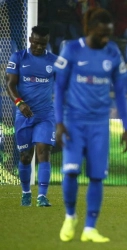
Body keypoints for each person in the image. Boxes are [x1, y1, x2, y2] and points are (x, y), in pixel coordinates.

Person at [54, 7, 127, 243]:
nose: (105, 38)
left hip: (99, 124)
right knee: (71, 172)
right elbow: (58, 87)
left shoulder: (112, 53)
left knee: (97, 177)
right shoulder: (72, 49)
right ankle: (70, 215)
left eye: (109, 34)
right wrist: (58, 122)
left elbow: (120, 90)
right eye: (101, 34)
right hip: (74, 122)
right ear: (90, 30)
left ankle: (90, 228)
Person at [6, 26, 57, 207]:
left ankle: (42, 196)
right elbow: (10, 84)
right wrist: (19, 103)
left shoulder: (53, 61)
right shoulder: (18, 58)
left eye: (42, 44)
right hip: (24, 116)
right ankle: (26, 193)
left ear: (46, 43)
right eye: (35, 43)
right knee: (25, 157)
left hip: (45, 116)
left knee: (44, 152)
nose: (38, 47)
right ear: (30, 40)